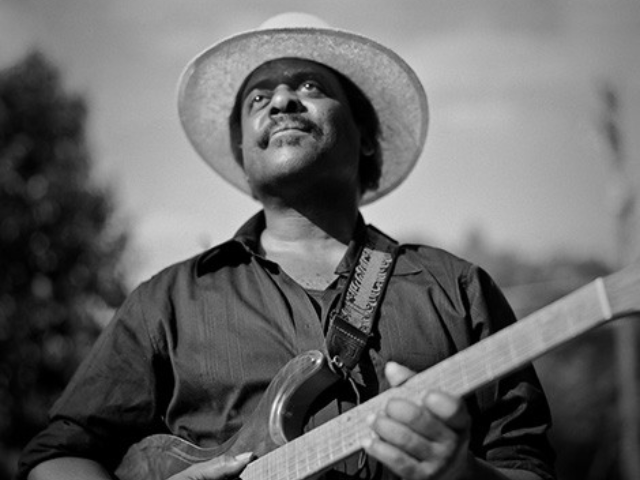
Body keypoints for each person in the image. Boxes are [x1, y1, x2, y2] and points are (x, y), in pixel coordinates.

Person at [18, 12, 556, 480]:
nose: (280, 101)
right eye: (258, 97)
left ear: (366, 137)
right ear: (243, 149)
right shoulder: (167, 303)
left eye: (311, 87)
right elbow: (55, 458)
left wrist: (461, 473)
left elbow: (526, 462)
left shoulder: (458, 291)